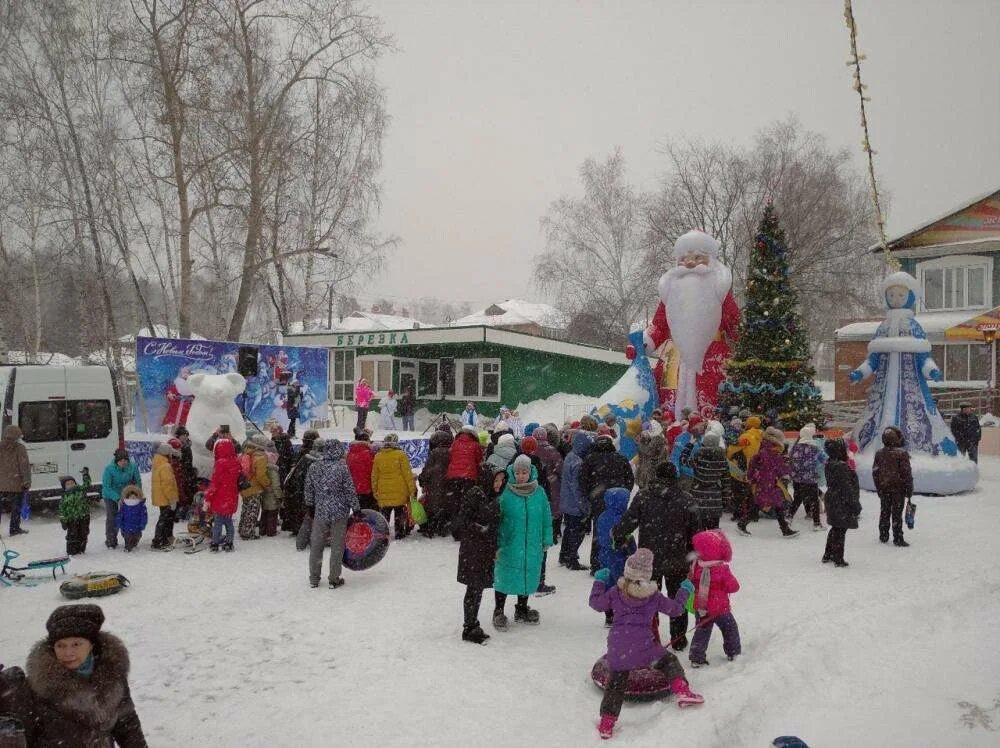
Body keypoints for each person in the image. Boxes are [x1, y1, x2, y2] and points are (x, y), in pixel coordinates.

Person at [589, 548, 703, 739]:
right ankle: (682, 690)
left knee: (615, 685)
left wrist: (600, 581)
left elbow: (596, 604)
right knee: (669, 661)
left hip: (618, 649)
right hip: (645, 649)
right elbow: (676, 610)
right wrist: (685, 590)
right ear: (648, 574)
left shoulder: (616, 592)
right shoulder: (653, 596)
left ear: (628, 571)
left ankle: (607, 723)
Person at [15, 604, 146, 745]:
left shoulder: (112, 676)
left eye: (76, 644)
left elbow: (127, 724)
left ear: (91, 645)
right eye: (60, 645)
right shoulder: (35, 688)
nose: (68, 653)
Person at [613, 461, 699, 650]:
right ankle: (678, 639)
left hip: (649, 560)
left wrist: (618, 535)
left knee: (647, 598)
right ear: (674, 477)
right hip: (678, 558)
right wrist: (695, 555)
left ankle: (650, 635)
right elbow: (697, 532)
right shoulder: (687, 500)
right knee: (678, 598)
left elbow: (629, 521)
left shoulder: (644, 496)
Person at [492, 455, 552, 630]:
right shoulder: (506, 491)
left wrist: (547, 538)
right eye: (517, 472)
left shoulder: (539, 492)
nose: (521, 476)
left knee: (527, 574)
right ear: (513, 472)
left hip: (532, 543)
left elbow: (545, 517)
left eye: (524, 472)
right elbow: (497, 517)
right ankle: (498, 610)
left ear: (530, 472)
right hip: (509, 543)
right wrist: (496, 542)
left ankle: (522, 608)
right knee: (504, 576)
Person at [454, 465, 503, 644]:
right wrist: (482, 529)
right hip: (474, 551)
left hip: (484, 551)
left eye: (500, 480)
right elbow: (464, 522)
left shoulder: (490, 495)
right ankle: (469, 627)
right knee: (474, 588)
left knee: (478, 588)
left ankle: (473, 624)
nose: (499, 483)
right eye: (496, 480)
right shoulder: (475, 494)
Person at [304, 439, 360, 589]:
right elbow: (349, 490)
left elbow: (308, 489)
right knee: (337, 545)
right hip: (339, 511)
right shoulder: (342, 468)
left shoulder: (314, 467)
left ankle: (314, 578)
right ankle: (334, 578)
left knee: (316, 545)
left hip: (320, 510)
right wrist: (356, 508)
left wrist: (310, 505)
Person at [581, 430, 634, 572]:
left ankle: (597, 563)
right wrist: (624, 493)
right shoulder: (621, 458)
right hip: (619, 501)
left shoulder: (590, 459)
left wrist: (590, 496)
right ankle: (620, 562)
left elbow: (583, 480)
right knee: (621, 530)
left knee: (599, 531)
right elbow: (630, 479)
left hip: (598, 500)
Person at [687, 529, 741, 668]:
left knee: (702, 631)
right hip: (720, 608)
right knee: (729, 628)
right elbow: (734, 587)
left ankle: (696, 657)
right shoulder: (722, 569)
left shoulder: (696, 566)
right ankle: (733, 652)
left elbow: (691, 582)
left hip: (702, 607)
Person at [746, 427, 797, 538]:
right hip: (768, 482)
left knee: (766, 504)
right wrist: (789, 468)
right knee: (768, 504)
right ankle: (785, 529)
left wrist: (751, 476)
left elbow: (754, 463)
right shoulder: (772, 452)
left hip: (766, 481)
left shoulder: (763, 449)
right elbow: (781, 468)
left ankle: (785, 529)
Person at [595, 488, 636, 627]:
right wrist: (632, 551)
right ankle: (620, 612)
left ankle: (608, 613)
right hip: (620, 556)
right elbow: (628, 538)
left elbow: (601, 536)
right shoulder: (623, 519)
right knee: (621, 584)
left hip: (604, 554)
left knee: (607, 583)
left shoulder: (602, 517)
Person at [531, 427, 564, 593]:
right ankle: (539, 580)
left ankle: (532, 579)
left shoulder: (529, 451)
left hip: (532, 493)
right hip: (551, 489)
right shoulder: (553, 451)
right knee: (549, 518)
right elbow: (560, 470)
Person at [822, 438, 862, 567]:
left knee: (835, 528)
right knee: (840, 530)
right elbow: (847, 488)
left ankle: (828, 554)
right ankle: (838, 558)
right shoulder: (841, 466)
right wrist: (855, 504)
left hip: (833, 498)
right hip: (841, 501)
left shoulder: (830, 463)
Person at [872, 426, 913, 547]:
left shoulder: (879, 453)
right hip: (898, 489)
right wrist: (909, 489)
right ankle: (898, 538)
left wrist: (878, 487)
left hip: (884, 488)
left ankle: (883, 535)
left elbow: (875, 472)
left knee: (884, 512)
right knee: (897, 514)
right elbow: (906, 473)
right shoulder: (902, 454)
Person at [559, 431, 593, 571]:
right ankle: (572, 559)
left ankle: (564, 555)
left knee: (569, 530)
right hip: (575, 504)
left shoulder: (570, 456)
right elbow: (577, 488)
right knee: (576, 532)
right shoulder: (579, 463)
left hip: (567, 501)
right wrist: (584, 506)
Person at [371, 433, 416, 539]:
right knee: (399, 512)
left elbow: (374, 476)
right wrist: (412, 490)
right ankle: (399, 533)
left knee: (385, 514)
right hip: (399, 490)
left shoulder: (378, 456)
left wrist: (375, 491)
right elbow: (407, 474)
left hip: (383, 491)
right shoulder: (401, 455)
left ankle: (383, 534)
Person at [787, 423, 827, 531]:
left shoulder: (795, 448)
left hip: (798, 479)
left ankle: (789, 517)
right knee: (814, 500)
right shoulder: (815, 448)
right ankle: (816, 523)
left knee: (798, 499)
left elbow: (790, 460)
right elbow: (825, 460)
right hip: (811, 479)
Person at [100, 449, 141, 549]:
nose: (123, 463)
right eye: (121, 461)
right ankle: (111, 540)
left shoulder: (133, 467)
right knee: (113, 518)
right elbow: (106, 487)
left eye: (125, 460)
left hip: (127, 494)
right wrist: (117, 499)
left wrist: (135, 494)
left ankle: (130, 539)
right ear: (116, 461)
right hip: (111, 496)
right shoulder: (109, 469)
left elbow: (137, 481)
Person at [281, 429, 320, 534]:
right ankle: (301, 530)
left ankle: (296, 527)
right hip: (302, 486)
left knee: (296, 508)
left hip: (295, 486)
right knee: (303, 510)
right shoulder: (312, 456)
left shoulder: (300, 453)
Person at [690, 432, 731, 531]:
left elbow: (684, 460)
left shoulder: (698, 457)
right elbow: (726, 481)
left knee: (699, 531)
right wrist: (726, 499)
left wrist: (690, 445)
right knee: (713, 533)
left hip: (698, 497)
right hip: (715, 499)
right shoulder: (722, 460)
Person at [205, 438, 240, 552]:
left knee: (218, 523)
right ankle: (229, 543)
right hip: (231, 499)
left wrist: (208, 496)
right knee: (229, 522)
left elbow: (215, 483)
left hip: (220, 499)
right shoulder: (236, 463)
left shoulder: (220, 464)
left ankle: (215, 543)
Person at [418, 427, 454, 537]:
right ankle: (444, 526)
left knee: (433, 506)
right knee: (446, 504)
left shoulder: (434, 453)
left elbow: (427, 470)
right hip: (448, 485)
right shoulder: (452, 452)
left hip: (434, 485)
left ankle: (431, 527)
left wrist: (422, 480)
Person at [237, 437, 272, 541]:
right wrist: (268, 484)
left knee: (246, 509)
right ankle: (248, 533)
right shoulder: (260, 457)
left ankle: (242, 529)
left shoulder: (246, 453)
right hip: (254, 488)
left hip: (244, 486)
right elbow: (261, 475)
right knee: (253, 511)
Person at [0, 425, 31, 537]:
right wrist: (27, 481)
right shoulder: (20, 448)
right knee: (16, 507)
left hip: (1, 484)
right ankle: (14, 529)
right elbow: (24, 467)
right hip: (16, 483)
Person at [150, 442, 179, 550]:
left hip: (160, 497)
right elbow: (168, 485)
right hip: (166, 497)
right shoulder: (165, 466)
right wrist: (172, 499)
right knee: (164, 520)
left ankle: (164, 539)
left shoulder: (158, 463)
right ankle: (158, 541)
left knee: (164, 519)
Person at [58, 469, 92, 556]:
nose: (71, 485)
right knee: (72, 535)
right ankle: (71, 551)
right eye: (68, 484)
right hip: (71, 520)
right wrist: (63, 521)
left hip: (83, 517)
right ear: (64, 487)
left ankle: (81, 549)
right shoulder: (64, 497)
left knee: (83, 534)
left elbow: (87, 484)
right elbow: (62, 510)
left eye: (72, 483)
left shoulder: (80, 490)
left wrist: (85, 475)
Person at [670, 415, 706, 491]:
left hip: (698, 476)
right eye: (700, 425)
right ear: (693, 426)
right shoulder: (681, 438)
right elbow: (675, 456)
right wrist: (676, 472)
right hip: (686, 476)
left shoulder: (701, 438)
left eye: (703, 426)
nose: (702, 428)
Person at [346, 430, 377, 511]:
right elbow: (374, 472)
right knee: (371, 514)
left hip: (354, 489)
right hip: (368, 489)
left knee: (359, 513)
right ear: (367, 441)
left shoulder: (349, 454)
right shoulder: (370, 454)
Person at [173, 427, 199, 520]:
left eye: (186, 435)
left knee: (188, 491)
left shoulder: (187, 447)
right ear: (178, 436)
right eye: (183, 435)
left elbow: (189, 461)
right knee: (178, 493)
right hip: (178, 473)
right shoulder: (175, 447)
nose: (185, 437)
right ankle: (177, 512)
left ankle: (186, 511)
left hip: (187, 472)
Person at [635, 421, 668, 492]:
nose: (648, 429)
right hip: (646, 470)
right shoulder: (651, 437)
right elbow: (642, 454)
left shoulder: (658, 439)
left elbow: (650, 452)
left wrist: (641, 442)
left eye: (650, 427)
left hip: (651, 471)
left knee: (648, 493)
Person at [259, 443, 284, 537]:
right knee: (272, 514)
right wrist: (280, 496)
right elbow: (276, 485)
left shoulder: (264, 466)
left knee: (264, 512)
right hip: (272, 495)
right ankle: (271, 531)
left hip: (265, 493)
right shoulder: (273, 470)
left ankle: (262, 529)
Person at [117, 485, 148, 552]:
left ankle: (134, 543)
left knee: (137, 536)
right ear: (128, 497)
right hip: (126, 527)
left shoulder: (141, 505)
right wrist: (120, 524)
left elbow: (144, 515)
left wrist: (143, 524)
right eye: (131, 497)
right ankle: (127, 547)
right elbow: (120, 516)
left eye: (134, 497)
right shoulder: (124, 506)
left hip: (137, 526)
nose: (133, 498)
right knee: (127, 537)